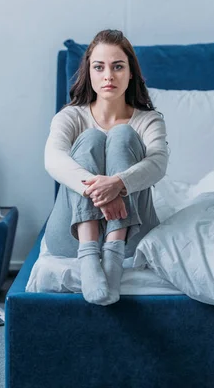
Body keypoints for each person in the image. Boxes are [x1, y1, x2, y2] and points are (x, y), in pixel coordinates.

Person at [43, 29, 168, 306]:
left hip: (132, 239)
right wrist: (101, 190)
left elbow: (158, 164)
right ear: (89, 72)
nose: (108, 76)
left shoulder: (149, 120)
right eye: (99, 67)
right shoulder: (71, 116)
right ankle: (88, 254)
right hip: (70, 237)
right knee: (91, 138)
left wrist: (119, 183)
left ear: (131, 72)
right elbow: (53, 158)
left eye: (118, 66)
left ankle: (113, 252)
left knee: (122, 135)